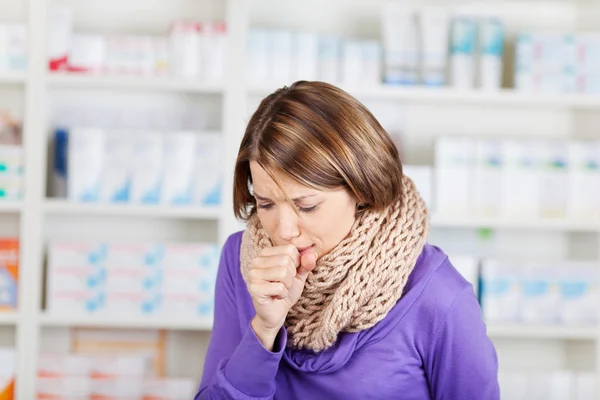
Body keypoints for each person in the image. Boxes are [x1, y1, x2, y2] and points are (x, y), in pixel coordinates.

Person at [195, 81, 500, 399]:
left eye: (306, 206)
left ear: (362, 191)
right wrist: (265, 329)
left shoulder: (439, 296)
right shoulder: (242, 260)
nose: (283, 230)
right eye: (266, 204)